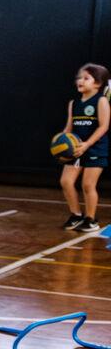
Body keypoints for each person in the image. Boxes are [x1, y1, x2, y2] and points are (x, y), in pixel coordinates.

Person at [59, 63, 109, 233]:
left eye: (86, 78)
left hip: (95, 149)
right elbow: (69, 128)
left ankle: (91, 219)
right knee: (66, 181)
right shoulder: (74, 103)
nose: (80, 80)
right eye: (79, 78)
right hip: (76, 149)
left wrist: (87, 144)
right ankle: (76, 215)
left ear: (97, 83)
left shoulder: (101, 101)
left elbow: (103, 127)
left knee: (88, 185)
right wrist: (60, 143)